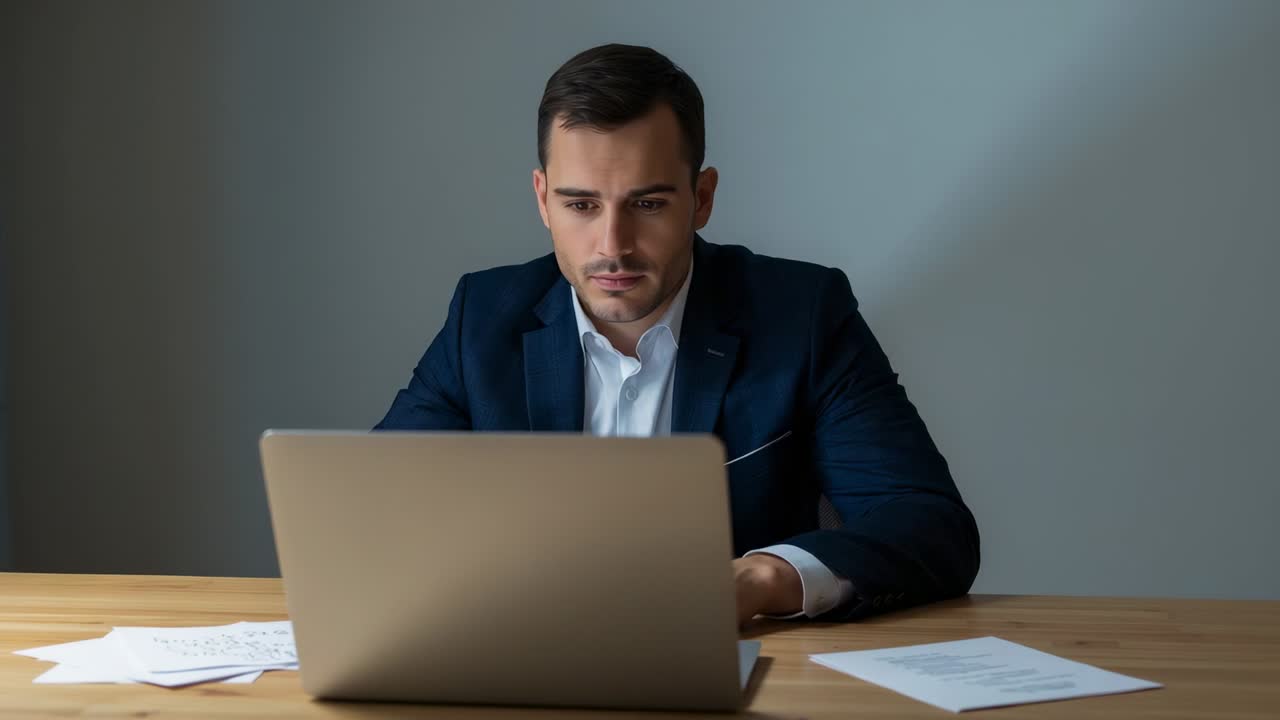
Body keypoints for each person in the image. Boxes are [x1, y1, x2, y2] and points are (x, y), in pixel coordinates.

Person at [376, 43, 979, 624]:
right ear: (543, 200)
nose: (612, 246)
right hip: (516, 656)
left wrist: (759, 579)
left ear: (702, 198)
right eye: (581, 205)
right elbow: (374, 503)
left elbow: (928, 522)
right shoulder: (483, 316)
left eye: (648, 205)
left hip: (730, 667)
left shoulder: (803, 316)